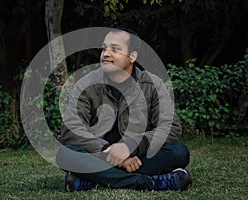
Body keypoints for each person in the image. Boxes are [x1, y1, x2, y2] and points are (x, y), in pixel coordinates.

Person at [56, 28, 192, 192]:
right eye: (104, 48)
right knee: (65, 154)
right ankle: (148, 182)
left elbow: (171, 127)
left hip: (139, 157)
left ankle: (92, 180)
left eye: (115, 49)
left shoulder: (153, 85)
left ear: (132, 56)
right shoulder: (86, 85)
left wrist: (130, 146)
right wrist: (109, 154)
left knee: (179, 152)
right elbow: (71, 130)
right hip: (99, 156)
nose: (106, 53)